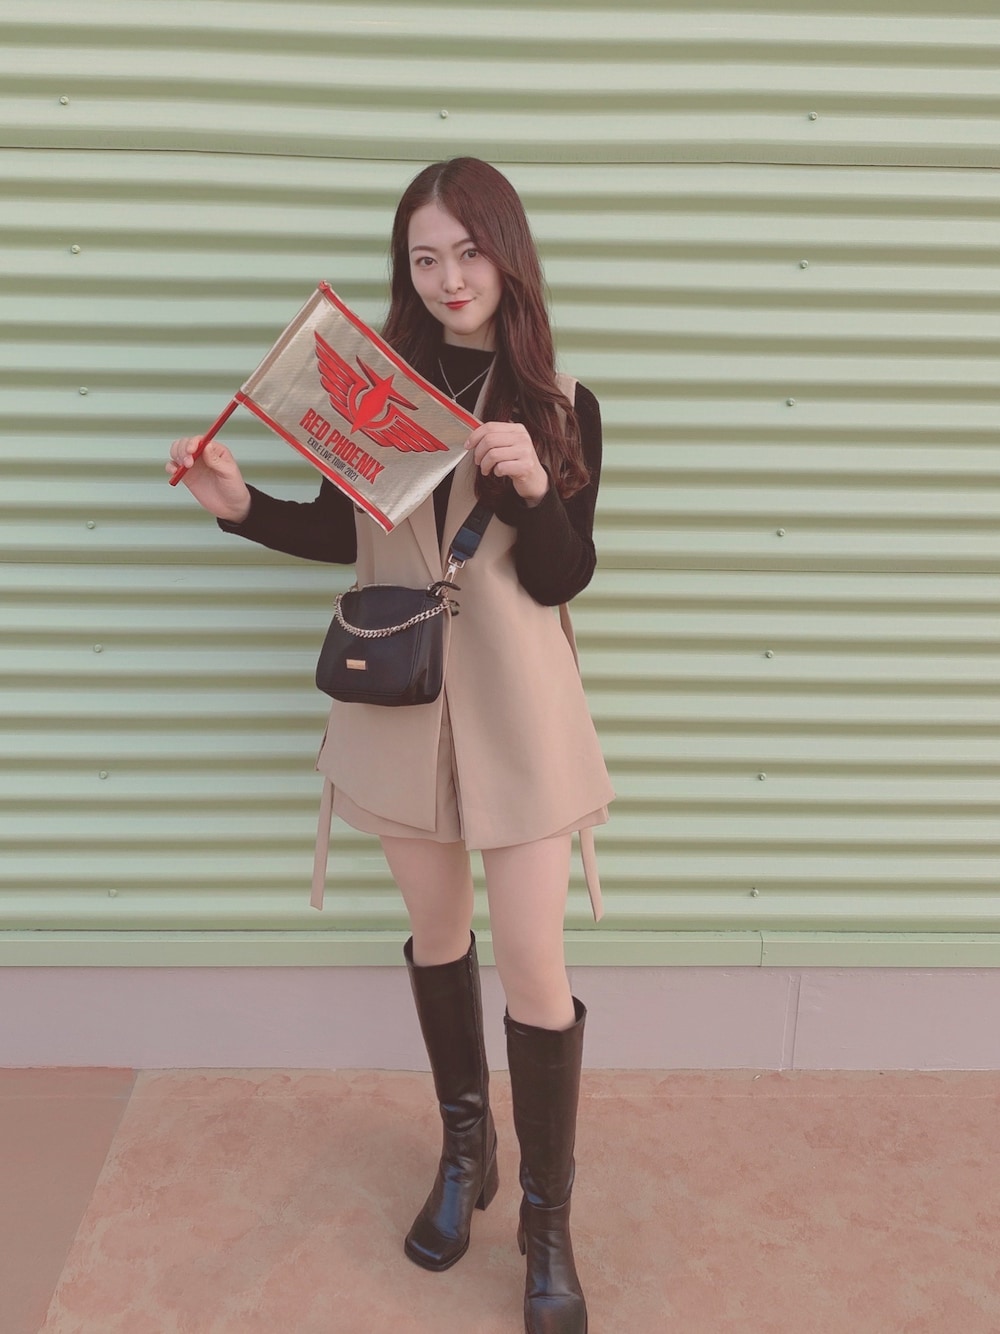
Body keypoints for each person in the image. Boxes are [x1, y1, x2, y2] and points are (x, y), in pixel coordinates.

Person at [167, 156, 613, 1334]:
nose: (449, 276)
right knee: (437, 933)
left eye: (469, 251)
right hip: (398, 698)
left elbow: (564, 576)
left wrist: (532, 486)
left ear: (506, 256)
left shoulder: (561, 401)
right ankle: (466, 1152)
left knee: (534, 964)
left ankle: (549, 1224)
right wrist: (240, 507)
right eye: (424, 257)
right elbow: (343, 534)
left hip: (518, 709)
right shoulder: (372, 388)